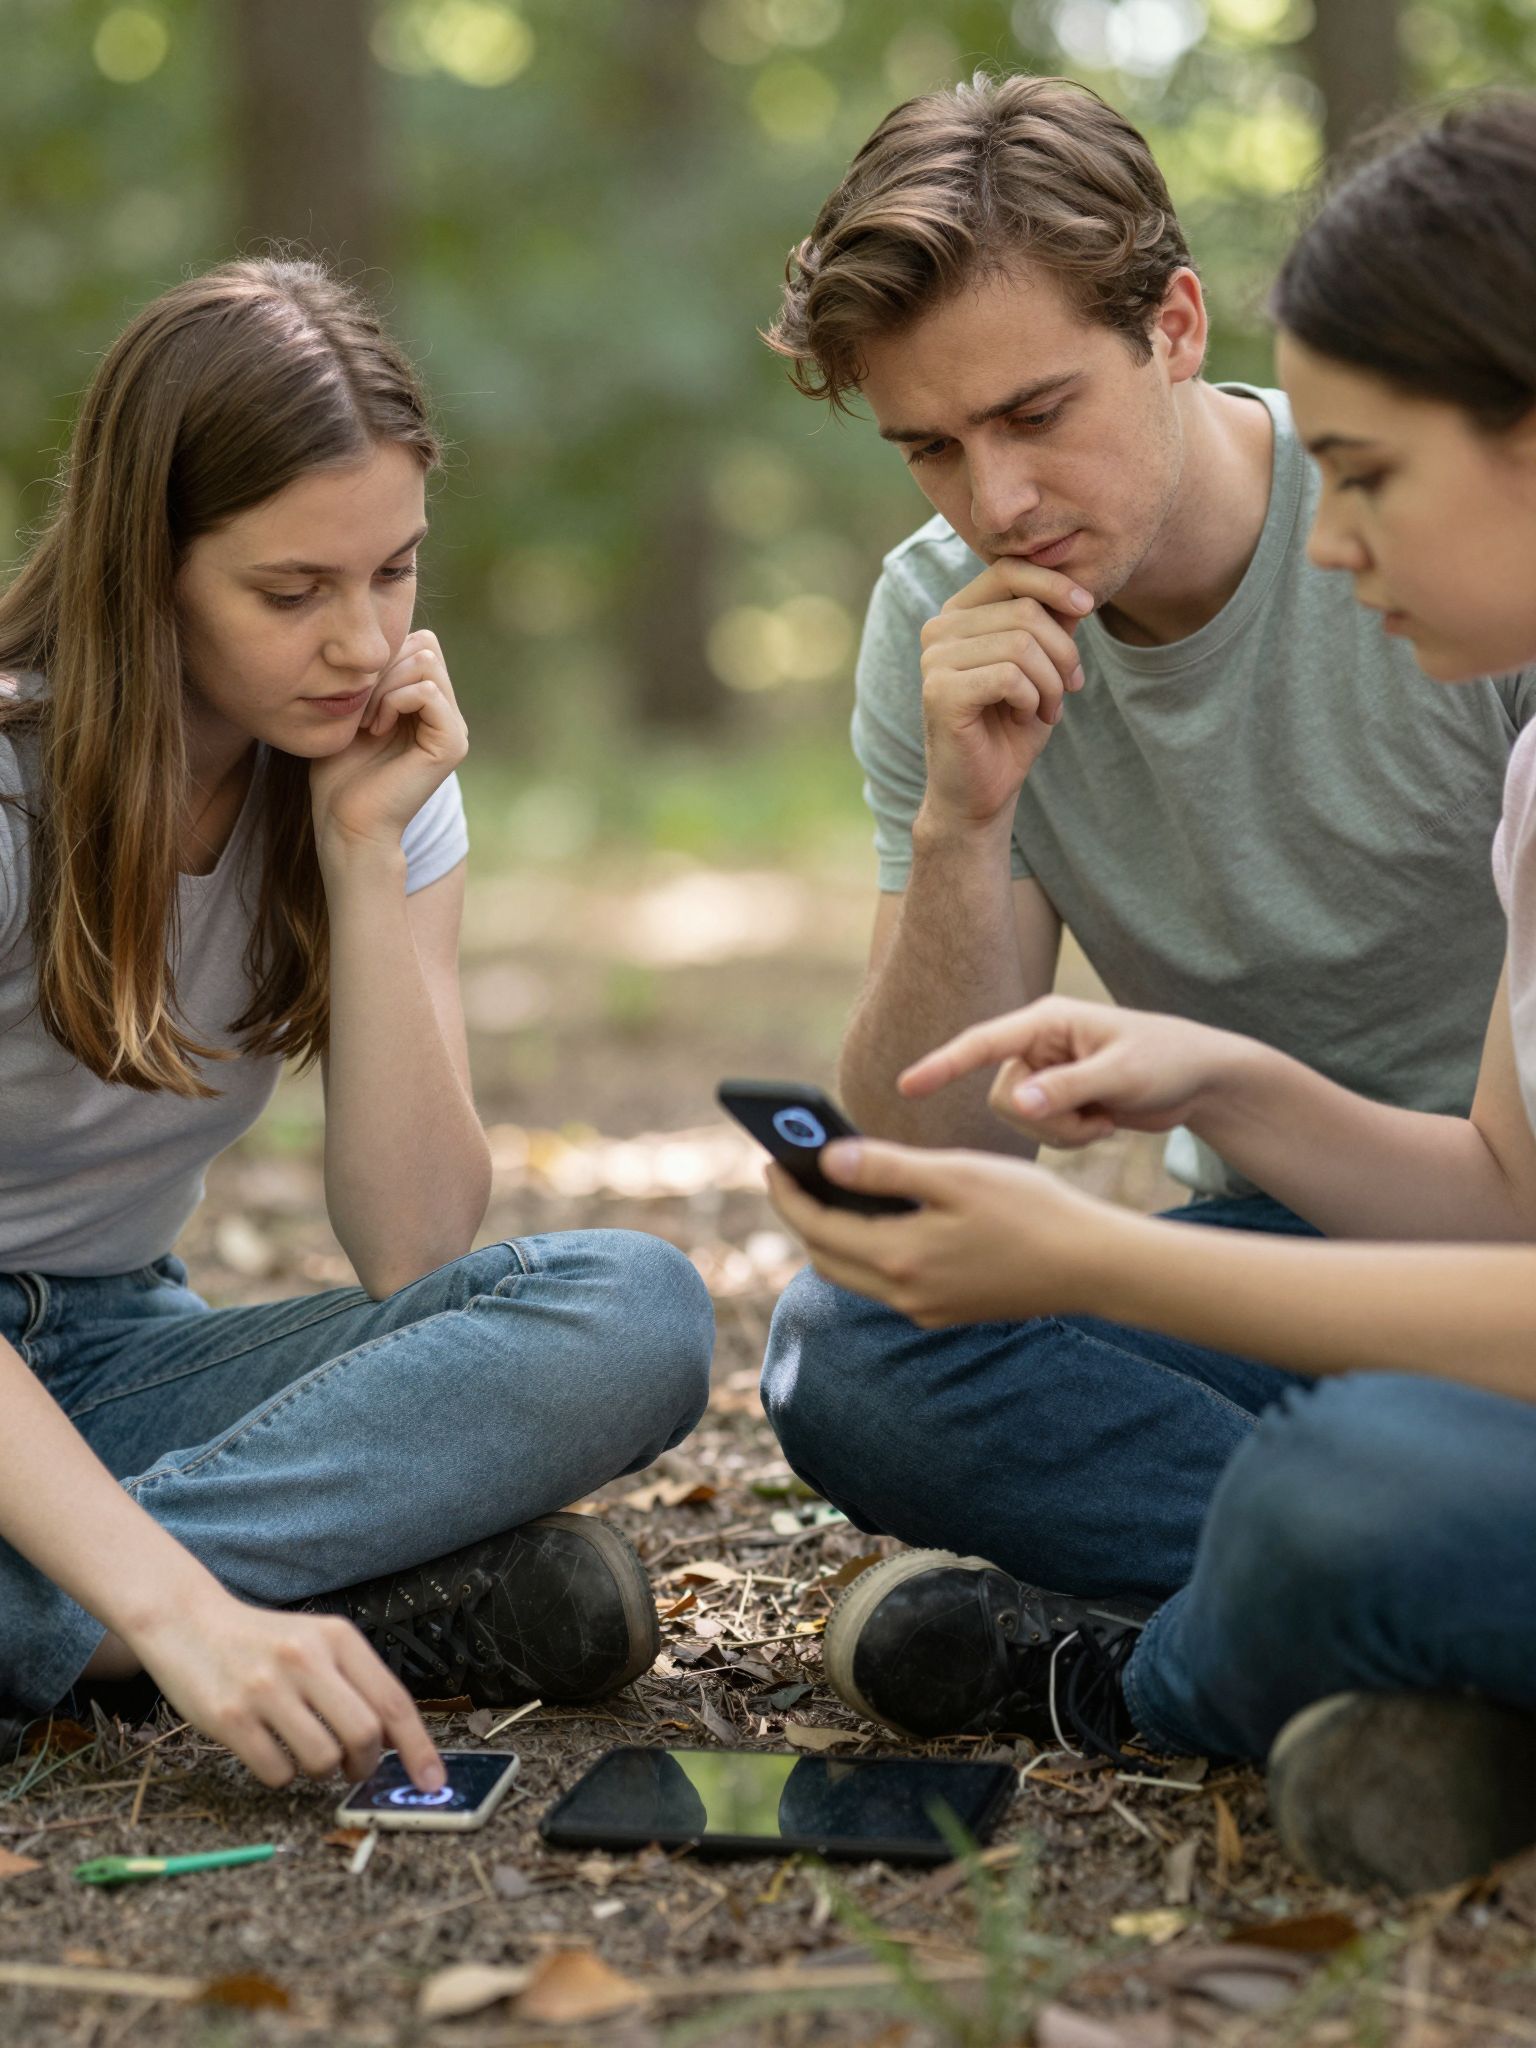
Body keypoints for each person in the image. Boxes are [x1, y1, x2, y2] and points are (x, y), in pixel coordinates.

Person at [767, 93, 1536, 1895]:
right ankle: (1375, 1609)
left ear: (1175, 326)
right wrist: (966, 825)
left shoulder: (1459, 565)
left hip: (1485, 1257)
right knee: (851, 1344)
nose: (998, 502)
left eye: (1038, 414)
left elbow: (1510, 1212)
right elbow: (930, 1163)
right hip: (1308, 1261)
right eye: (932, 449)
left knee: (1357, 1482)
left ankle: (1188, 1654)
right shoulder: (943, 621)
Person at [0, 259, 714, 1794]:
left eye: (394, 572)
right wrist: (178, 1605)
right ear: (147, 567)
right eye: (291, 593)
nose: (362, 642)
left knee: (636, 1312)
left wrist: (364, 853)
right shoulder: (10, 795)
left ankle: (78, 1623)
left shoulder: (373, 778)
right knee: (183, 1574)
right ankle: (183, 1619)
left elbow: (416, 1249)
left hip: (113, 1359)